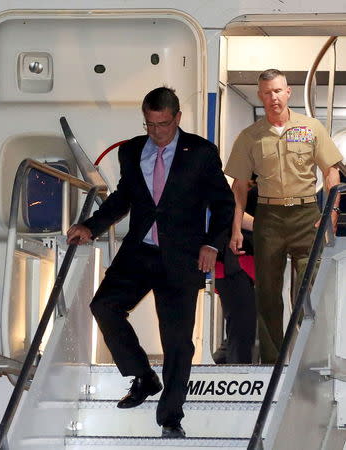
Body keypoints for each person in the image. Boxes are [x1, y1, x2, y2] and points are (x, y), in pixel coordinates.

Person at [67, 87, 235, 438]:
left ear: (177, 118)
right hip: (140, 249)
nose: (156, 132)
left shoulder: (201, 152)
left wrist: (212, 245)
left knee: (176, 340)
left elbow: (223, 204)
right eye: (149, 124)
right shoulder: (131, 151)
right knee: (104, 305)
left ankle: (171, 416)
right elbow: (122, 198)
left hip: (183, 255)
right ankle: (143, 375)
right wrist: (90, 227)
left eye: (162, 124)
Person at [225, 69, 343, 364]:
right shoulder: (250, 136)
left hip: (306, 215)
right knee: (267, 296)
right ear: (260, 96)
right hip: (269, 217)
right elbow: (239, 185)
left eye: (277, 91)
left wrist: (331, 211)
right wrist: (237, 226)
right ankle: (272, 363)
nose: (273, 98)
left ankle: (309, 363)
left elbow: (331, 171)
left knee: (307, 293)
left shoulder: (311, 127)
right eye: (267, 93)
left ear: (288, 92)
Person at [213, 181, 257, 364]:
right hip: (235, 264)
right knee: (241, 328)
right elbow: (231, 211)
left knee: (239, 327)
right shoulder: (245, 193)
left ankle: (224, 363)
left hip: (236, 264)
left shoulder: (247, 191)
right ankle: (236, 372)